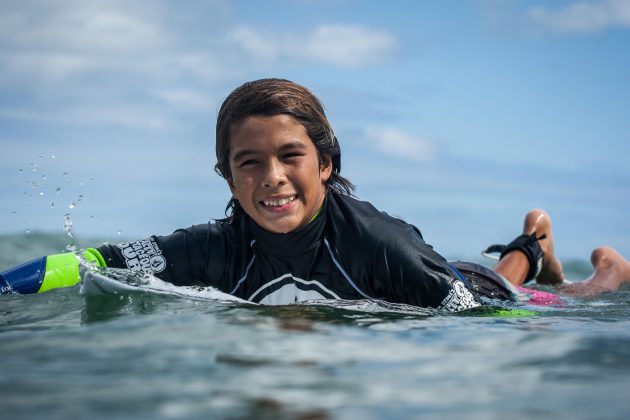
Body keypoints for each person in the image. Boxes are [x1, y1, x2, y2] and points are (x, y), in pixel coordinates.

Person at [2, 78, 629, 310]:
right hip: (427, 278)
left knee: (547, 293)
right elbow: (89, 262)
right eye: (249, 162)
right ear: (227, 176)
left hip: (448, 279)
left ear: (325, 163)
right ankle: (535, 238)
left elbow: (492, 317)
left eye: (291, 156)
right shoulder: (210, 248)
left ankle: (598, 267)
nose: (271, 176)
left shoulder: (380, 245)